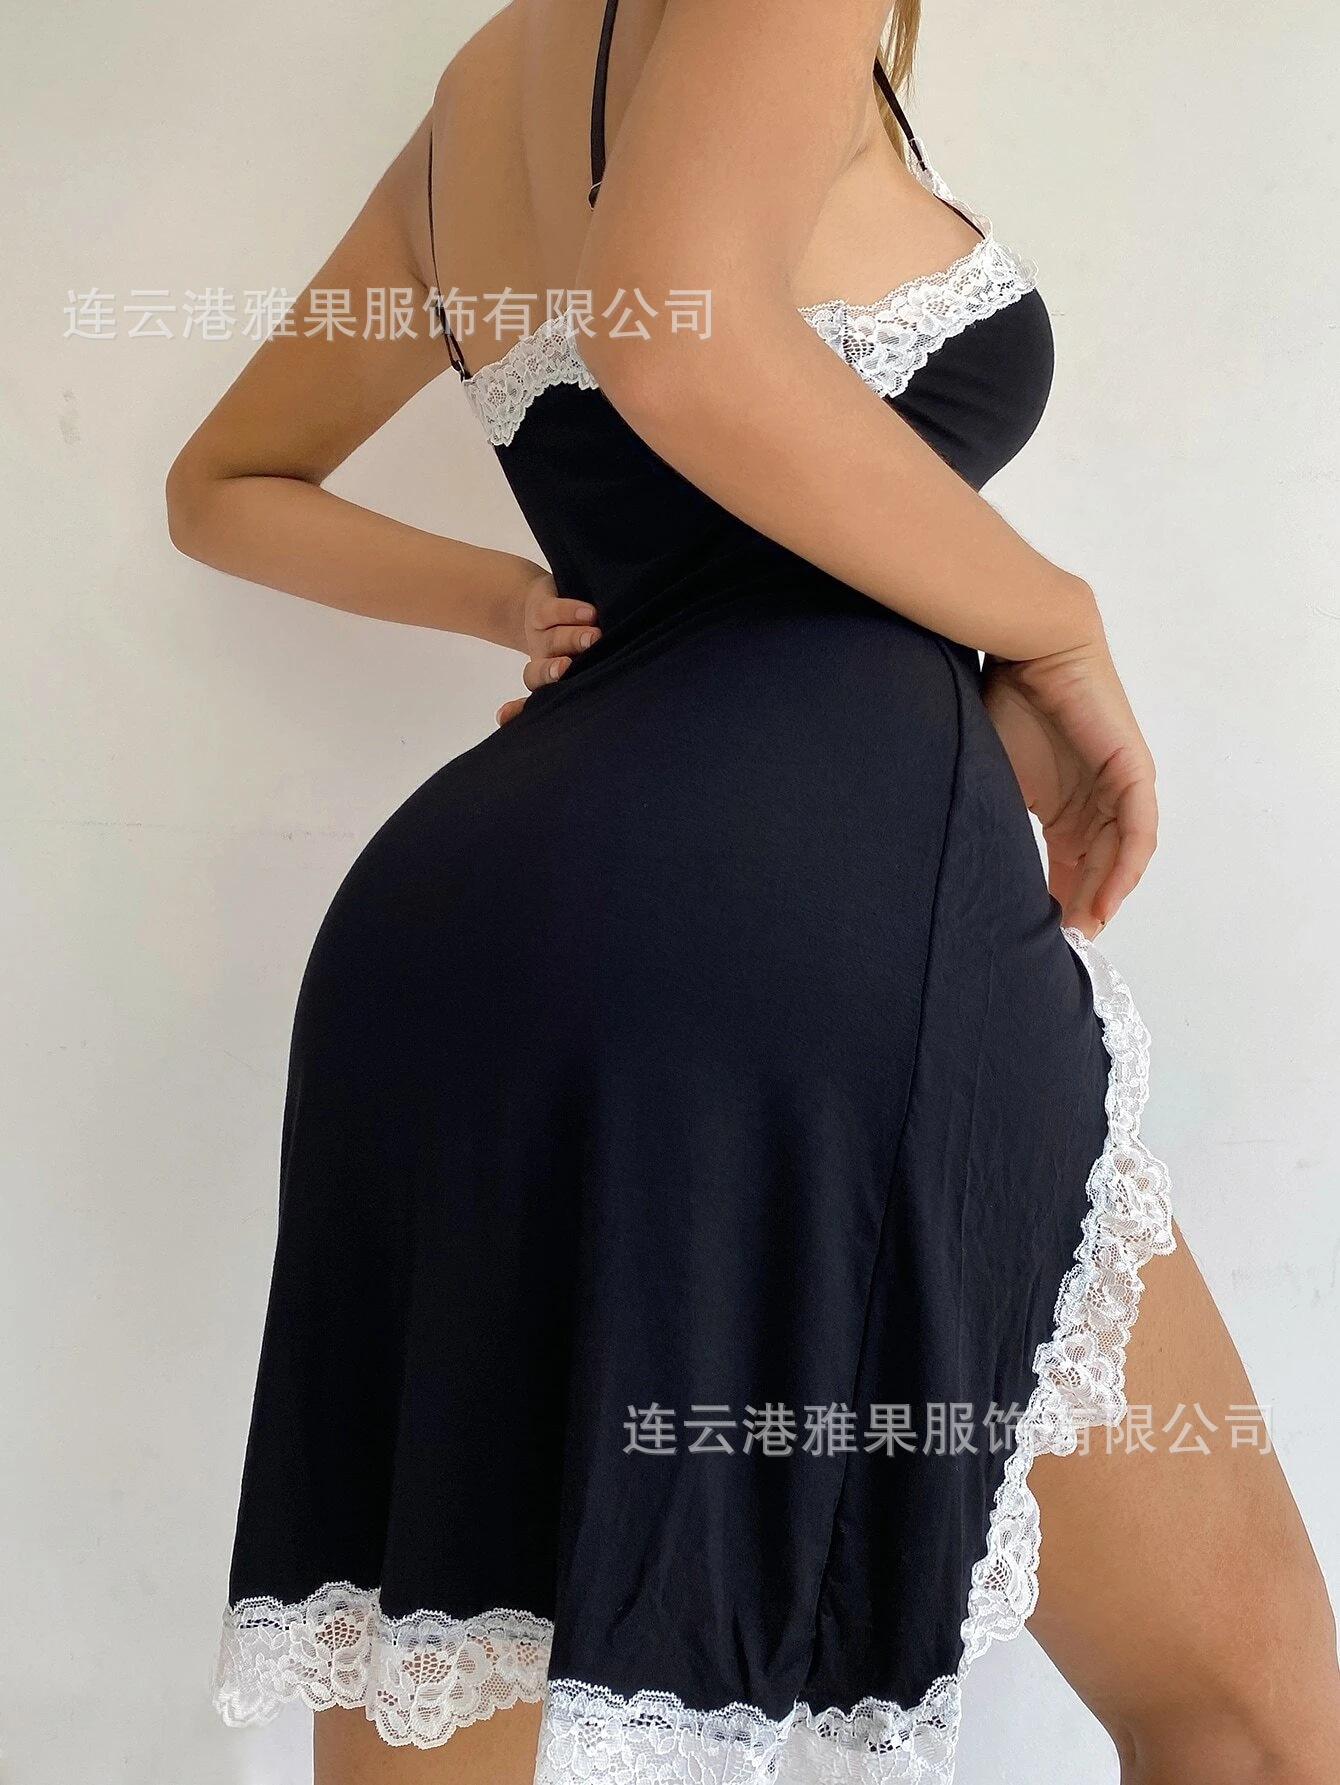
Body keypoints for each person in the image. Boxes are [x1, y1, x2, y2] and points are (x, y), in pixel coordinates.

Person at [166, 2, 1340, 1781]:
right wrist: (1051, 618)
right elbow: (682, 336)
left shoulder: (478, 90)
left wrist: (519, 604)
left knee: (451, 1699)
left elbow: (221, 485)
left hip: (452, 943)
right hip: (795, 921)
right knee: (1250, 1721)